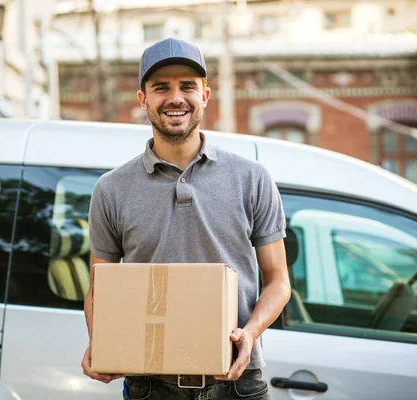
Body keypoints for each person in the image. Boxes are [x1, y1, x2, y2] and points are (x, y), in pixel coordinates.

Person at [81, 37, 291, 399]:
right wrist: (101, 343)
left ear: (205, 96)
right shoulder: (111, 189)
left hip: (236, 380)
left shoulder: (252, 178)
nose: (175, 98)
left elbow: (278, 282)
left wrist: (250, 333)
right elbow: (100, 288)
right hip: (151, 384)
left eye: (188, 86)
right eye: (161, 87)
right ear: (143, 99)